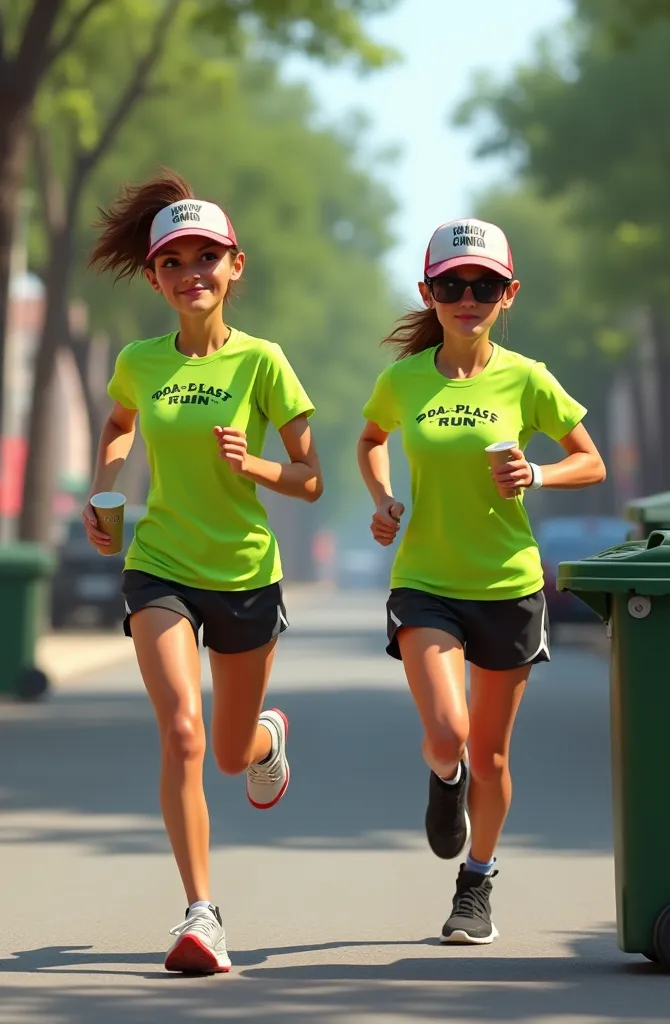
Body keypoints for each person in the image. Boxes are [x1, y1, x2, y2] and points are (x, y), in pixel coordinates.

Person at [83, 171, 322, 973]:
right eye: (175, 262)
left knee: (225, 750)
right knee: (182, 732)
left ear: (236, 267)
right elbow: (119, 423)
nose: (193, 275)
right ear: (155, 277)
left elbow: (311, 477)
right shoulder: (138, 362)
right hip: (161, 568)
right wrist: (107, 485)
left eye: (207, 258)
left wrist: (252, 461)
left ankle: (264, 740)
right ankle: (201, 913)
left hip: (249, 575)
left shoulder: (264, 363)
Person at [357, 218, 605, 945]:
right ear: (428, 292)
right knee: (448, 733)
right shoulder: (403, 379)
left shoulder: (528, 378)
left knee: (493, 757)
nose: (468, 297)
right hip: (427, 581)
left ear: (509, 293)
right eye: (452, 284)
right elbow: (371, 439)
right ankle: (444, 777)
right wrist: (382, 499)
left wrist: (539, 473)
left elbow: (590, 460)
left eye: (485, 285)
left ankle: (477, 882)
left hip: (509, 585)